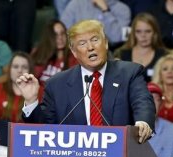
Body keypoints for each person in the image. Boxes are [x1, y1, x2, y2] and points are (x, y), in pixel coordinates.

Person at [16, 19, 155, 144]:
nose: (90, 47)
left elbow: (142, 101)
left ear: (105, 43)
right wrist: (31, 102)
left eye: (95, 40)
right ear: (74, 51)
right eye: (82, 43)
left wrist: (143, 122)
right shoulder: (57, 84)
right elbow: (45, 129)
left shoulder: (129, 73)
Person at [114, 13, 168, 82]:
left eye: (148, 31)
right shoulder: (121, 54)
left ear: (155, 33)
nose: (143, 35)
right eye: (138, 31)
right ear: (133, 33)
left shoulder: (163, 55)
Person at [60, 0, 131, 48]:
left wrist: (106, 11)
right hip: (78, 51)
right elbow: (63, 31)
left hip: (109, 53)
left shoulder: (123, 9)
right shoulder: (76, 4)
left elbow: (117, 38)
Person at [31, 19, 78, 85]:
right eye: (55, 35)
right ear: (49, 37)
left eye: (62, 33)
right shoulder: (38, 54)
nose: (60, 38)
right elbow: (31, 79)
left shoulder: (74, 57)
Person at [0, 52, 36, 123]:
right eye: (15, 67)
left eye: (24, 67)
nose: (19, 71)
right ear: (10, 70)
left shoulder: (39, 91)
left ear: (30, 71)